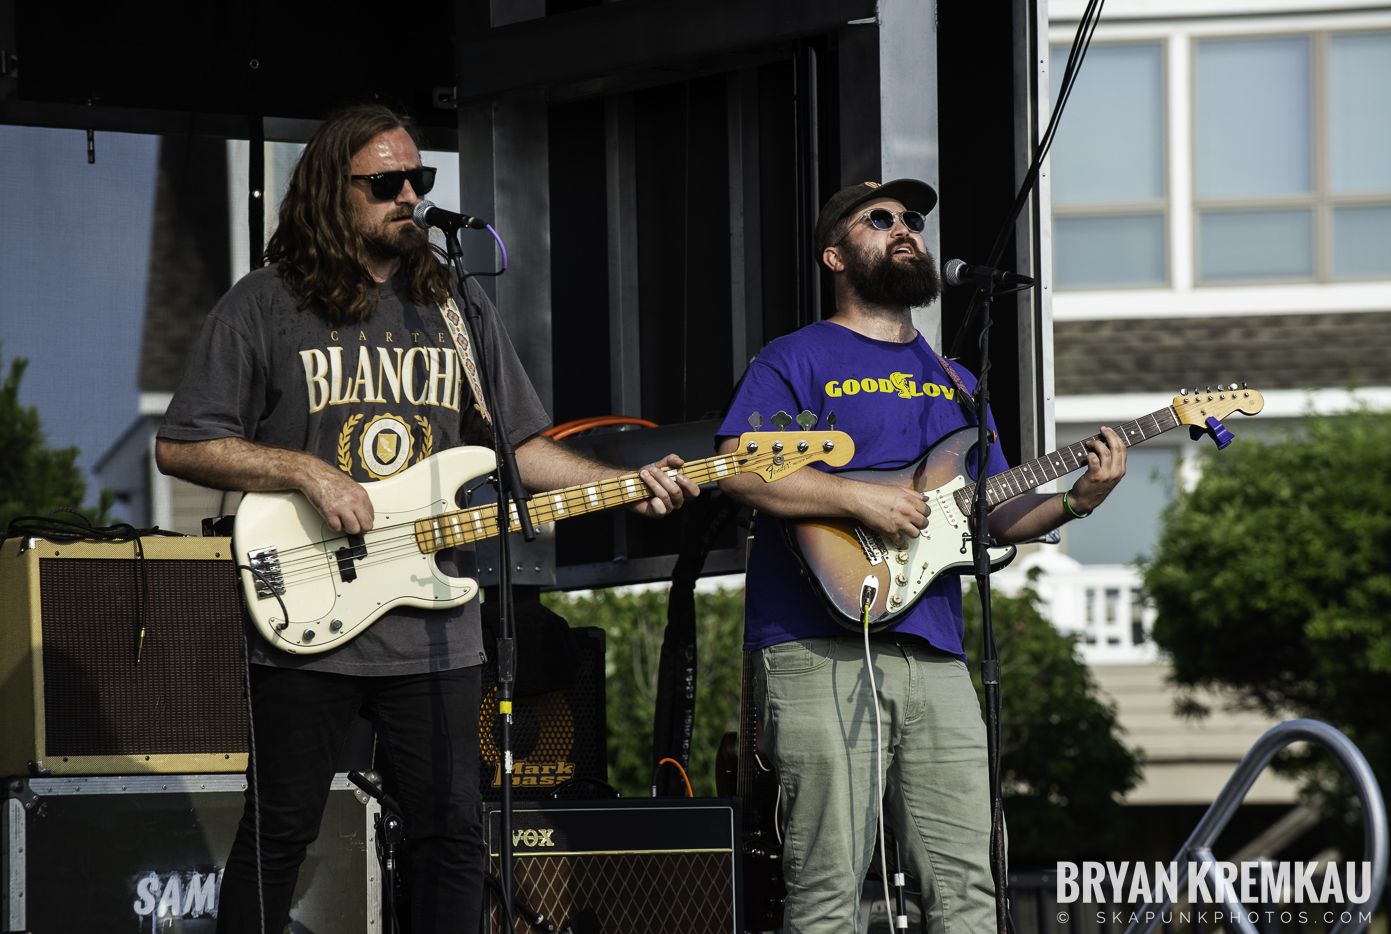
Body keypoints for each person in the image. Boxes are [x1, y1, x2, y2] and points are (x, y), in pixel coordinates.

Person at [155, 103, 699, 933]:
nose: (408, 195)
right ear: (331, 192)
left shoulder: (453, 305)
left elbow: (518, 446)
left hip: (435, 626)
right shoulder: (263, 305)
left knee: (452, 833)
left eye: (420, 179)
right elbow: (184, 445)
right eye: (385, 182)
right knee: (281, 833)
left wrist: (626, 482)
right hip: (308, 613)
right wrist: (304, 470)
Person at [714, 178, 1126, 934]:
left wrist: (1077, 500)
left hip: (936, 651)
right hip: (816, 648)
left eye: (913, 220)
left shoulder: (957, 380)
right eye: (881, 219)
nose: (905, 227)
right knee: (826, 891)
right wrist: (857, 501)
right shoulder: (794, 357)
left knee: (970, 891)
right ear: (835, 254)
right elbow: (739, 466)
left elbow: (994, 513)